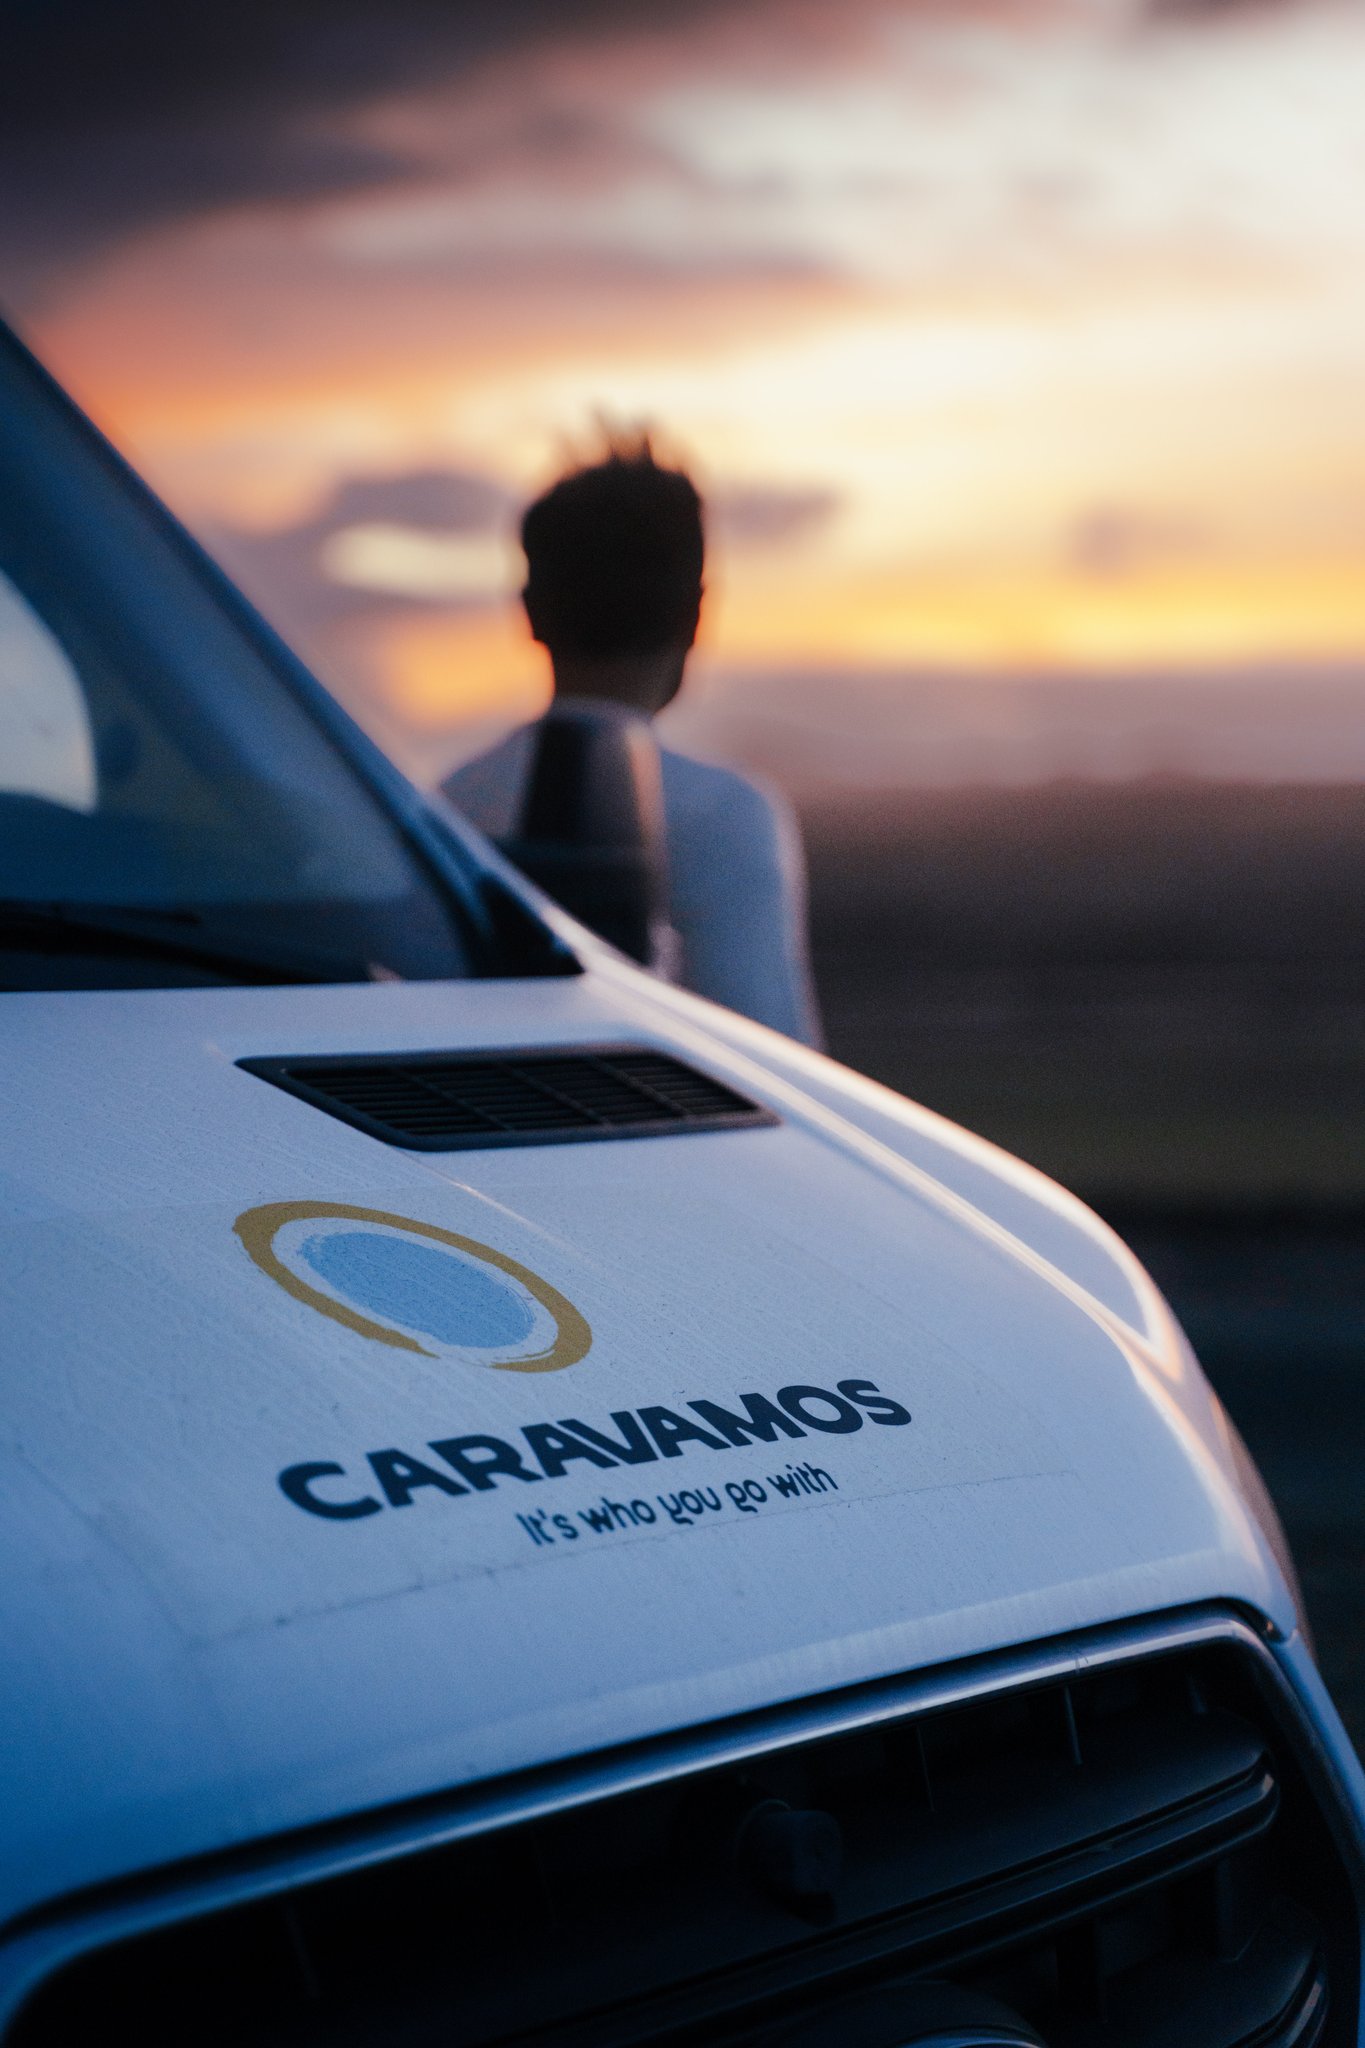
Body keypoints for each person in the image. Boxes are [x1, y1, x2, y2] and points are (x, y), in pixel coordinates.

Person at [441, 435, 821, 1046]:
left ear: (531, 610)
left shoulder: (451, 805)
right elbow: (774, 1057)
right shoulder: (725, 816)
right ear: (694, 615)